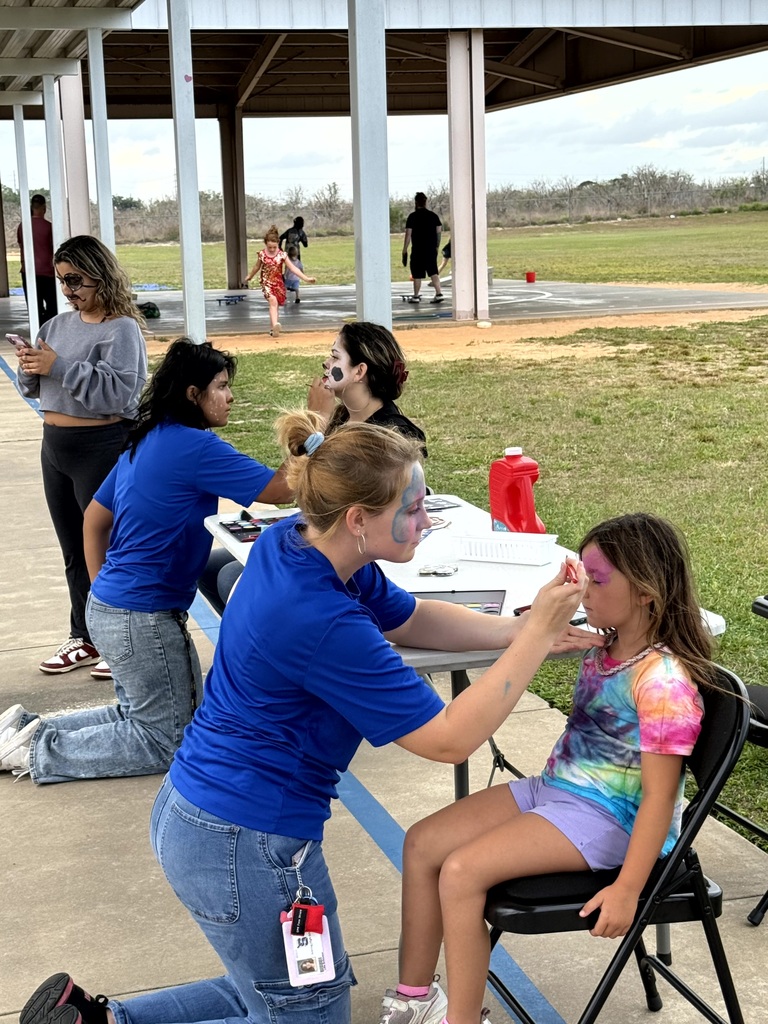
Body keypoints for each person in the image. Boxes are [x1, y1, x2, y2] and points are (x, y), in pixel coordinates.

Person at [18, 413, 596, 1024]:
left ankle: (95, 1019)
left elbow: (408, 618)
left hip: (208, 819)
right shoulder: (323, 620)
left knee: (273, 992)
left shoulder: (296, 542)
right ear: (358, 519)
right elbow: (450, 739)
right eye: (417, 507)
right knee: (307, 1013)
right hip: (246, 844)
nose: (427, 521)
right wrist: (534, 639)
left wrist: (518, 630)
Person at [379, 511, 716, 1024]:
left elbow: (659, 799)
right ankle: (415, 1001)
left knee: (462, 872)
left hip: (611, 819)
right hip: (558, 791)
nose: (583, 593)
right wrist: (537, 632)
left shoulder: (663, 683)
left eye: (596, 582)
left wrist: (628, 889)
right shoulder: (608, 646)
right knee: (422, 843)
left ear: (646, 592)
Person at [0, 338, 292, 782]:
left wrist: (103, 593)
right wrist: (317, 427)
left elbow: (93, 520)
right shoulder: (197, 447)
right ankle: (36, 752)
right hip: (142, 616)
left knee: (137, 715)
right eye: (222, 386)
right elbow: (279, 491)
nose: (230, 397)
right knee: (167, 739)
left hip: (111, 607)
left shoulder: (148, 439)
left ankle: (22, 729)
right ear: (193, 394)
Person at [14, 235, 148, 677]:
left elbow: (120, 394)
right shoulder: (54, 327)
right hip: (55, 448)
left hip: (101, 447)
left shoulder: (121, 329)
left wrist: (57, 367)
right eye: (61, 280)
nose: (68, 290)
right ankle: (85, 636)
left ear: (99, 274)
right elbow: (37, 389)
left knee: (107, 548)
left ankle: (119, 641)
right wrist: (30, 368)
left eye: (75, 279)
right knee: (74, 549)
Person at [307, 321, 427, 455]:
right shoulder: (341, 419)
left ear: (359, 372)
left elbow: (318, 474)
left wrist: (317, 421)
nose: (326, 363)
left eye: (335, 357)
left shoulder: (392, 438)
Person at [243, 225, 316, 337]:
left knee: (275, 305)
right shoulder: (262, 254)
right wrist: (250, 276)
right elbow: (256, 267)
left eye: (274, 247)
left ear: (278, 244)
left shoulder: (282, 255)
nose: (272, 249)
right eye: (269, 247)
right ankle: (275, 325)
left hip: (278, 283)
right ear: (266, 244)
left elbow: (293, 268)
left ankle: (273, 328)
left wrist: (306, 278)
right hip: (266, 282)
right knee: (272, 301)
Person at [17, 193, 57, 326]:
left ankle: (39, 329)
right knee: (53, 305)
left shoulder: (23, 226)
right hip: (47, 272)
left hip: (28, 271)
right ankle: (48, 327)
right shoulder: (49, 227)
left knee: (35, 307)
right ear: (44, 208)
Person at [402, 193, 445, 305]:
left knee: (417, 273)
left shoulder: (412, 217)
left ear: (416, 202)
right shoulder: (433, 216)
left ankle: (416, 296)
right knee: (433, 271)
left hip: (417, 250)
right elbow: (438, 233)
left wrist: (405, 249)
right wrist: (436, 246)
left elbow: (408, 234)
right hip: (431, 249)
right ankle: (439, 293)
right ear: (425, 202)